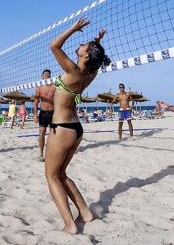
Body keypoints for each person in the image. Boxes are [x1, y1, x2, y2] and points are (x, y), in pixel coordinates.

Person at [45, 17, 110, 233]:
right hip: (76, 129)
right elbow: (97, 58)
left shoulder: (73, 70)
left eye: (85, 46)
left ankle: (69, 224)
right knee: (62, 173)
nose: (82, 44)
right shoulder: (90, 73)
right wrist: (97, 42)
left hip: (62, 127)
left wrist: (74, 28)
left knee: (52, 176)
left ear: (85, 55)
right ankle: (85, 212)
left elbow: (54, 45)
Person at [33, 69, 55, 161]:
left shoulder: (54, 87)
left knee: (52, 134)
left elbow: (59, 100)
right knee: (41, 133)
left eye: (48, 75)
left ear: (50, 77)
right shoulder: (39, 87)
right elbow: (36, 101)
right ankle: (41, 154)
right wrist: (35, 114)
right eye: (45, 75)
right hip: (42, 112)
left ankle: (50, 153)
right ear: (42, 77)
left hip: (53, 112)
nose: (46, 76)